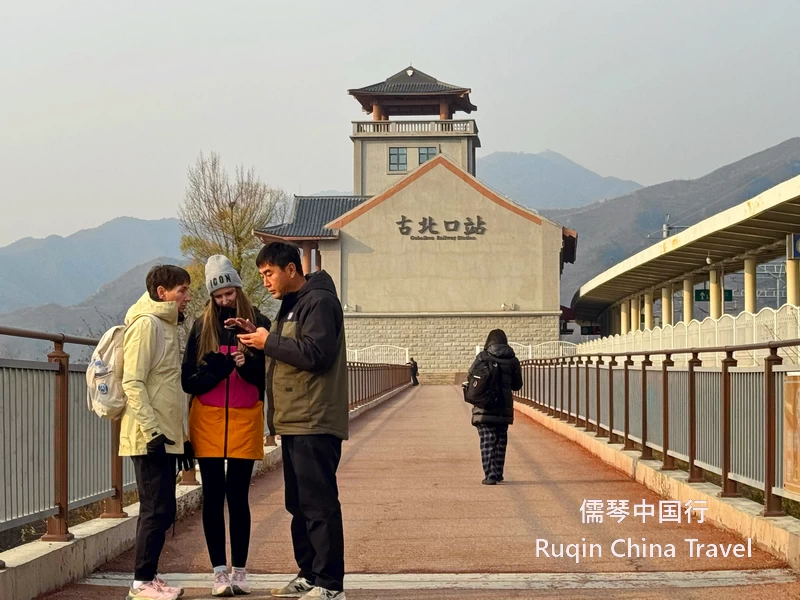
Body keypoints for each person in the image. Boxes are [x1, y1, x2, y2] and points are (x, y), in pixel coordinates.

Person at [237, 242, 348, 600]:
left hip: (314, 416)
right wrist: (259, 338)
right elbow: (288, 354)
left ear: (290, 269)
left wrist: (268, 341)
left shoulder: (319, 302)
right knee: (298, 504)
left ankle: (330, 584)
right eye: (262, 275)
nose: (266, 281)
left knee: (318, 503)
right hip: (295, 418)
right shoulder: (293, 305)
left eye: (269, 273)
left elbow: (317, 355)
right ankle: (310, 573)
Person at [181, 255, 271, 597]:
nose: (224, 301)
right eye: (217, 296)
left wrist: (246, 364)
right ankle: (219, 572)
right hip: (207, 419)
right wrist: (217, 370)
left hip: (246, 417)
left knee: (238, 497)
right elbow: (189, 381)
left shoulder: (258, 323)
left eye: (228, 293)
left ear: (238, 288)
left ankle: (241, 571)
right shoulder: (202, 327)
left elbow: (268, 376)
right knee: (213, 495)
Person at [120, 265, 193, 600]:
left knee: (163, 507)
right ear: (162, 292)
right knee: (155, 508)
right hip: (149, 436)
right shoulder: (147, 325)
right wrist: (152, 433)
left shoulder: (169, 326)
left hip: (165, 434)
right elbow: (132, 382)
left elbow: (170, 387)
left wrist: (184, 435)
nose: (187, 297)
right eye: (181, 291)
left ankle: (148, 576)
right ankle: (141, 583)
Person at [467, 329, 522, 486]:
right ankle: (498, 473)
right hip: (503, 407)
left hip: (483, 407)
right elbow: (517, 385)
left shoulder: (482, 357)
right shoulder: (513, 360)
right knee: (500, 439)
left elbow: (470, 376)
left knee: (487, 440)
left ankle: (489, 474)